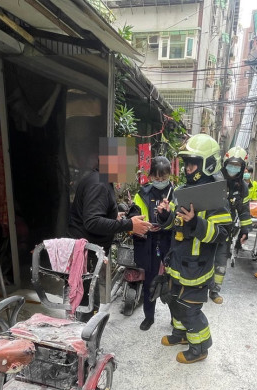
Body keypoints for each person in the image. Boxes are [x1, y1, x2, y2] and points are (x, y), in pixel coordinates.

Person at [154, 134, 232, 364]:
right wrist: (166, 215)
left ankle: (200, 347)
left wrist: (196, 222)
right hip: (178, 263)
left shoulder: (215, 197)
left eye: (193, 163)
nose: (188, 168)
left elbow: (222, 234)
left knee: (190, 310)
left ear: (208, 163)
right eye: (186, 163)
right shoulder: (184, 191)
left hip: (197, 269)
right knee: (174, 301)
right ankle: (180, 335)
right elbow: (174, 225)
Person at [68, 140, 151, 319]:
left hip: (88, 254)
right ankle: (84, 343)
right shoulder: (99, 184)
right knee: (87, 306)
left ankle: (85, 340)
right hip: (86, 256)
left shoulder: (101, 180)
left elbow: (94, 215)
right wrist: (129, 225)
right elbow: (92, 222)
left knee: (87, 302)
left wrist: (116, 217)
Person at [127, 156, 173, 331]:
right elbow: (135, 215)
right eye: (156, 178)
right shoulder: (142, 193)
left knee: (173, 281)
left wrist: (165, 218)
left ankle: (175, 318)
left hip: (169, 243)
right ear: (150, 176)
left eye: (163, 178)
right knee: (150, 282)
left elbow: (177, 219)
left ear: (169, 175)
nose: (160, 181)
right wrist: (144, 225)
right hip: (149, 243)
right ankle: (149, 317)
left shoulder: (175, 193)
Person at [209, 146, 252, 304]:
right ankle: (200, 286)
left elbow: (244, 211)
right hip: (209, 227)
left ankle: (215, 290)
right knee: (205, 257)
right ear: (224, 163)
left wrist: (245, 230)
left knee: (221, 260)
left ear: (242, 168)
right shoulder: (214, 179)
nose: (233, 168)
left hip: (226, 230)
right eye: (230, 164)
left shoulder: (243, 187)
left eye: (237, 165)